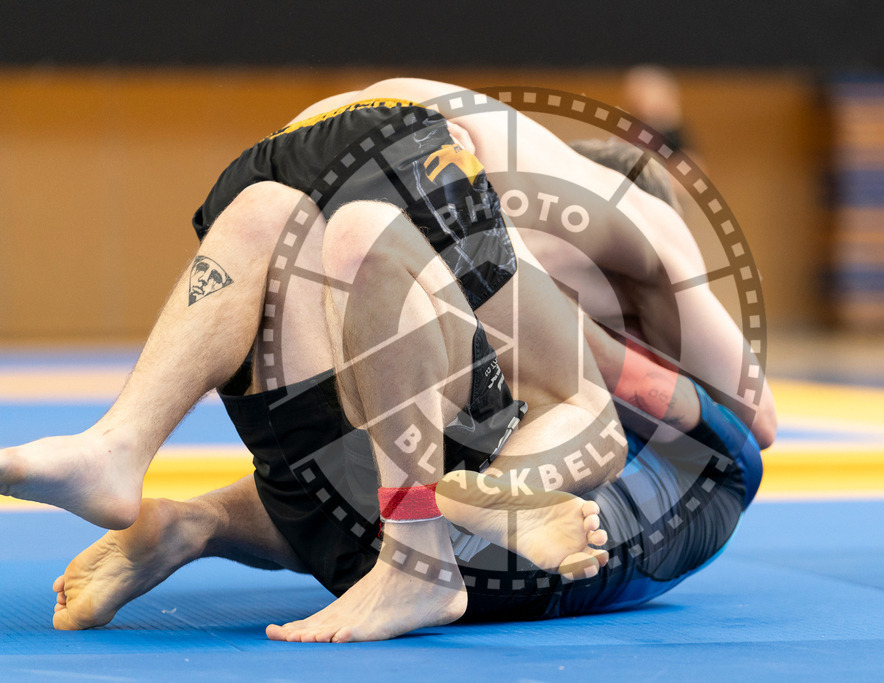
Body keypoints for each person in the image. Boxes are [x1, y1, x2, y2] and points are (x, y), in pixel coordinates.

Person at [2, 79, 774, 642]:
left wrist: (211, 517)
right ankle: (455, 519)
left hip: (344, 518)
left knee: (277, 217)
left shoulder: (688, 440)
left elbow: (747, 430)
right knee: (374, 250)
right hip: (400, 526)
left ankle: (128, 454)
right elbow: (755, 412)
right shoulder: (634, 226)